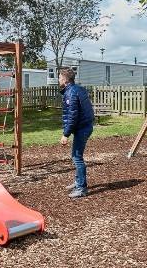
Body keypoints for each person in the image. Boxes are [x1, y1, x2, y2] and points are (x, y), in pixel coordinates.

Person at [59, 68, 94, 198]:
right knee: (76, 155)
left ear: (65, 79)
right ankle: (78, 181)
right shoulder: (78, 89)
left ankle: (81, 188)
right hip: (85, 126)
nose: (58, 80)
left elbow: (72, 116)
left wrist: (66, 134)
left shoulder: (71, 93)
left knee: (77, 157)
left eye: (59, 78)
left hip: (82, 128)